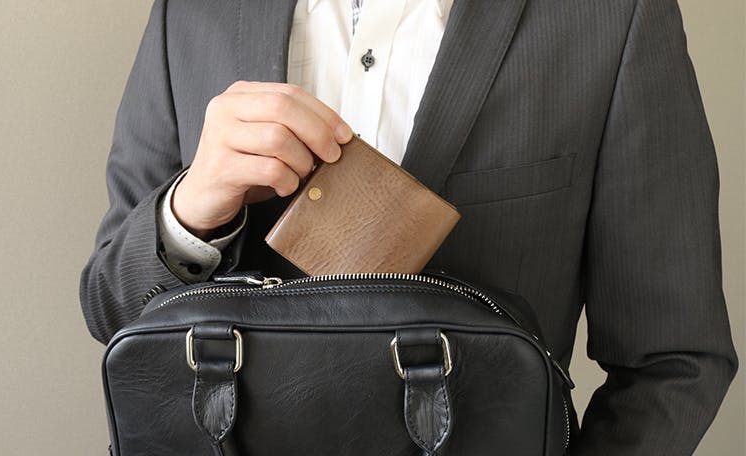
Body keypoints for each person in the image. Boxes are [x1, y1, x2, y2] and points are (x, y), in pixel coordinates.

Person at [80, 0, 737, 453]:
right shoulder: (190, 13)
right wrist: (191, 210)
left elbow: (675, 359)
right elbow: (112, 311)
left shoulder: (613, 17)